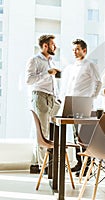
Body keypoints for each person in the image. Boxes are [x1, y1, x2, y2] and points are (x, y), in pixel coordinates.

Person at [61, 39, 101, 176]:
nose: (75, 52)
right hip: (72, 102)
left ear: (84, 50)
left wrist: (91, 98)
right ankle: (79, 164)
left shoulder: (90, 65)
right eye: (73, 50)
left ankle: (87, 167)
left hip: (84, 103)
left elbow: (98, 82)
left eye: (77, 49)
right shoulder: (72, 67)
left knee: (85, 135)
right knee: (75, 136)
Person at [26, 34, 61, 174]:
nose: (55, 47)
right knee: (43, 132)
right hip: (40, 96)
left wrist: (57, 99)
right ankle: (43, 166)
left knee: (47, 131)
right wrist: (47, 73)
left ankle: (36, 164)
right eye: (53, 44)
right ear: (45, 46)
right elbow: (29, 80)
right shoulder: (34, 60)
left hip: (52, 98)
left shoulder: (51, 61)